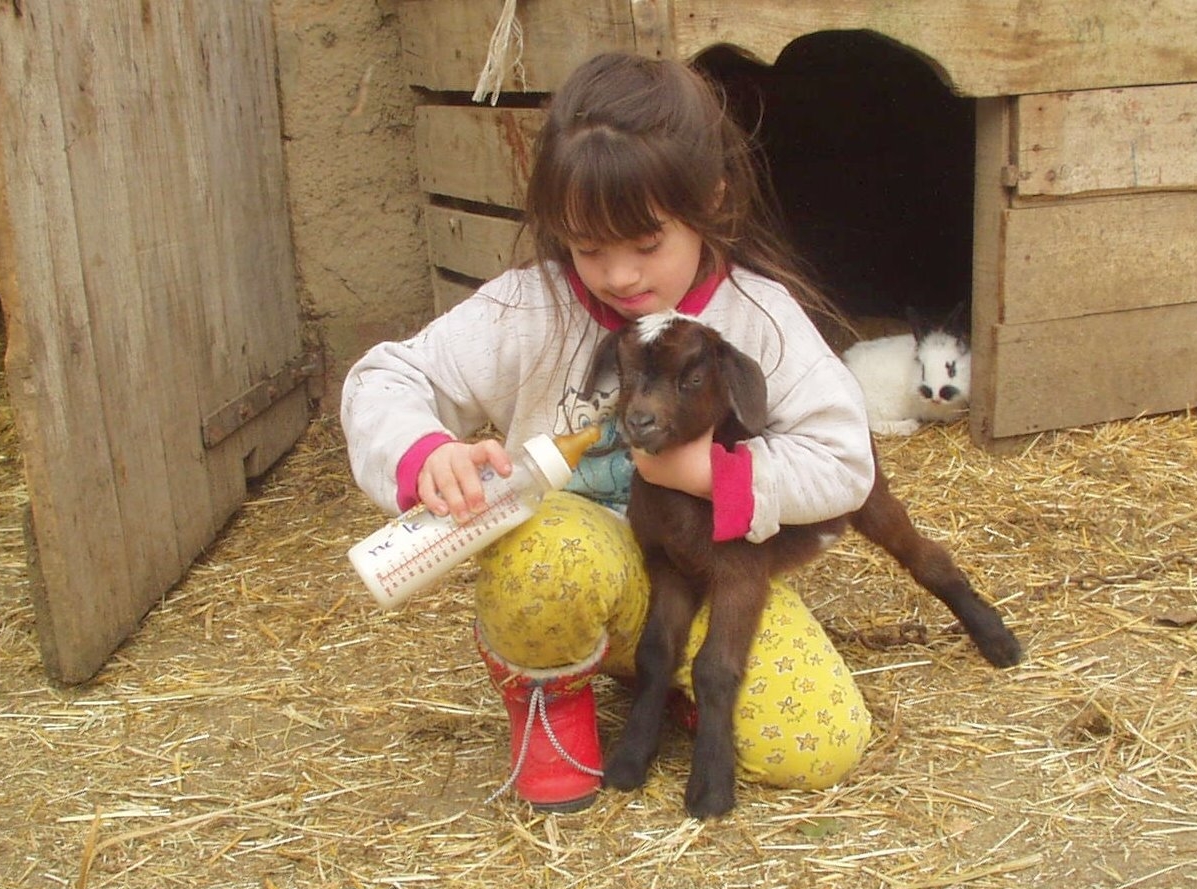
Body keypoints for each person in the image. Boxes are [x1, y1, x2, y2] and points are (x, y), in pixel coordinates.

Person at [341, 51, 876, 813]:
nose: (619, 275)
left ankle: (665, 673)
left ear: (711, 202)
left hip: (710, 574)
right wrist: (429, 453)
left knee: (815, 747)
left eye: (647, 243)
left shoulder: (757, 318)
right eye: (589, 247)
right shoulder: (530, 308)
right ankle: (550, 690)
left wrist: (712, 476)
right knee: (546, 546)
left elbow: (843, 462)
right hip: (577, 558)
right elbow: (384, 379)